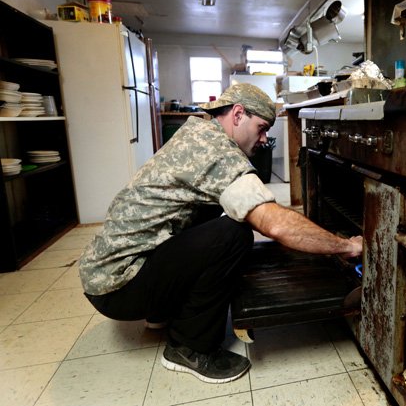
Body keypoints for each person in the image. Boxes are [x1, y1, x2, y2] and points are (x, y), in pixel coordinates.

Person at [78, 83, 363, 384]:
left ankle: (161, 311)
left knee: (217, 210)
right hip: (118, 287)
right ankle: (190, 347)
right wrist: (345, 246)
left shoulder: (198, 132)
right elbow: (274, 223)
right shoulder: (216, 152)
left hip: (110, 272)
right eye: (262, 128)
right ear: (238, 114)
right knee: (233, 234)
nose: (265, 139)